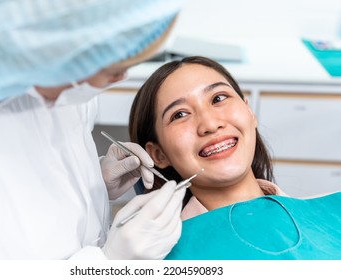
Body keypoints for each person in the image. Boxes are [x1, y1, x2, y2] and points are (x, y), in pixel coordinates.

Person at [0, 0, 187, 259]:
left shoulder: (66, 82)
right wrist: (109, 265)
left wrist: (93, 184)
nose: (122, 78)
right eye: (114, 67)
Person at [128, 56, 341, 259]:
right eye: (180, 114)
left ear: (249, 111)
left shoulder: (332, 212)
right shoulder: (163, 260)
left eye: (218, 98)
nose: (210, 125)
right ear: (158, 154)